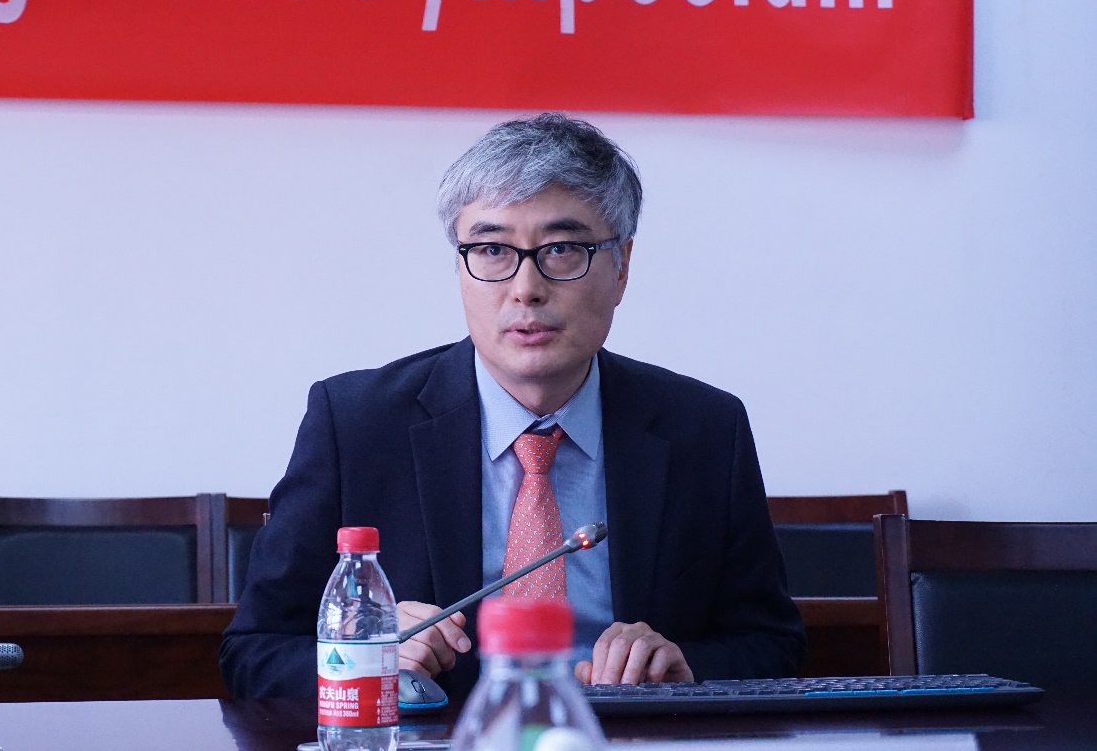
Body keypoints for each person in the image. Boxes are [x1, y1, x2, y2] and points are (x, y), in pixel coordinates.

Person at [219, 113, 806, 699]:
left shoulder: (705, 429)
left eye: (563, 249)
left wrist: (685, 666)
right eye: (493, 249)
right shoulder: (356, 424)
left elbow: (772, 645)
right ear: (460, 266)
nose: (526, 288)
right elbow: (255, 651)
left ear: (622, 267)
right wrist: (361, 659)